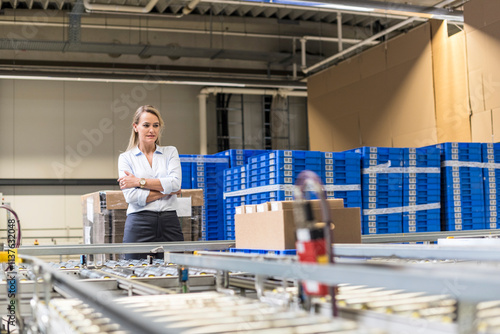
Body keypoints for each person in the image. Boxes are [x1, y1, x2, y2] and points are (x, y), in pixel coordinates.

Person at [117, 105, 184, 259]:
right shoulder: (126, 158)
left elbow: (175, 184)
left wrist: (138, 181)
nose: (151, 130)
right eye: (146, 125)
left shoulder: (170, 152)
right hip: (139, 223)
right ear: (136, 127)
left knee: (176, 272)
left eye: (156, 125)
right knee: (134, 272)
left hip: (169, 222)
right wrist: (166, 189)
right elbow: (132, 197)